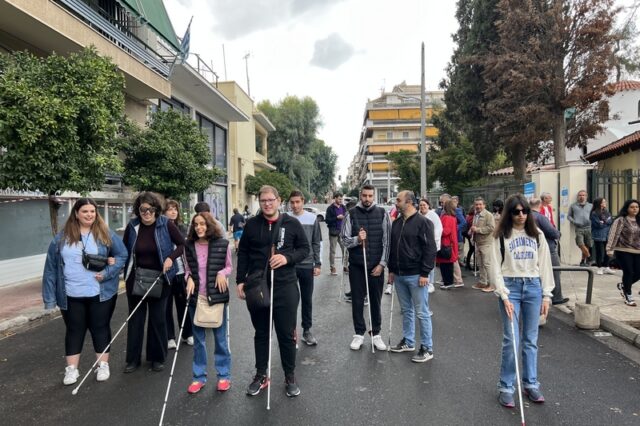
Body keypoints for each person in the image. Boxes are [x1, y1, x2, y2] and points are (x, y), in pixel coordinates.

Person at [43, 198, 127, 385]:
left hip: (101, 292)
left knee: (100, 327)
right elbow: (50, 269)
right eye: (85, 211)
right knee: (74, 330)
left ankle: (102, 365)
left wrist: (108, 272)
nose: (89, 215)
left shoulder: (105, 234)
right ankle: (72, 370)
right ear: (76, 214)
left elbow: (122, 255)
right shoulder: (61, 238)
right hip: (70, 294)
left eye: (92, 211)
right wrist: (49, 298)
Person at [236, 185, 309, 397]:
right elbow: (243, 254)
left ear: (278, 200)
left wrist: (287, 258)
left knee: (286, 334)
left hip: (285, 286)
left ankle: (290, 375)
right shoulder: (251, 225)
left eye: (271, 200)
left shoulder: (291, 223)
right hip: (258, 286)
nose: (267, 204)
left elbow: (304, 249)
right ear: (259, 202)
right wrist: (241, 280)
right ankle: (261, 374)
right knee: (261, 333)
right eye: (263, 200)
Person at [489, 194, 554, 408]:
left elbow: (545, 265)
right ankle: (506, 386)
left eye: (524, 211)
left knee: (530, 339)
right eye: (516, 211)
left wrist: (547, 294)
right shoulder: (500, 236)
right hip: (511, 286)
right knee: (511, 339)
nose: (521, 215)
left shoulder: (538, 235)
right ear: (509, 213)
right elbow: (495, 267)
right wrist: (503, 294)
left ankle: (531, 383)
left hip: (533, 286)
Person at [122, 192, 185, 373]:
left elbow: (182, 245)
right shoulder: (133, 226)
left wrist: (170, 258)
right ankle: (132, 360)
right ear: (138, 210)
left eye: (150, 209)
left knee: (158, 320)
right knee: (136, 320)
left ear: (156, 209)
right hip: (136, 279)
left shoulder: (165, 224)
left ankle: (157, 358)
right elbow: (124, 250)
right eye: (143, 210)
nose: (147, 213)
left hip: (160, 278)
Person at [183, 212, 233, 394]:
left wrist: (222, 273)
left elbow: (229, 266)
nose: (199, 228)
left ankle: (224, 376)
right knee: (199, 341)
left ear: (209, 225)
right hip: (197, 297)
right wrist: (188, 277)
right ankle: (198, 377)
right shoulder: (188, 246)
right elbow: (188, 268)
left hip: (217, 298)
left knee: (220, 340)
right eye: (196, 225)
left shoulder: (222, 244)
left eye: (202, 224)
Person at [341, 184, 391, 351]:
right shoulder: (351, 214)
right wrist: (357, 239)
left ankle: (376, 334)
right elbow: (344, 239)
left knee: (375, 301)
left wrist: (382, 264)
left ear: (374, 196)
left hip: (376, 265)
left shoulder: (383, 214)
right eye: (364, 196)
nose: (367, 199)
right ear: (360, 196)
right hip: (357, 265)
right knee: (357, 300)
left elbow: (386, 241)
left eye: (370, 196)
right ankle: (359, 334)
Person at [388, 191, 437, 362]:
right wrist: (392, 270)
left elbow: (430, 250)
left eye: (398, 200)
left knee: (422, 312)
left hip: (416, 275)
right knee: (406, 310)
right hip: (400, 275)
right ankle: (408, 341)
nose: (396, 202)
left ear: (408, 202)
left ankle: (427, 347)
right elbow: (393, 247)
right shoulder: (396, 223)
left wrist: (425, 273)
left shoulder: (424, 223)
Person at [287, 191, 322, 346]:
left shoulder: (312, 218)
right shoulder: (285, 219)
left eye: (297, 202)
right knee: (291, 300)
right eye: (292, 202)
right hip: (289, 266)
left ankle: (306, 330)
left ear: (303, 202)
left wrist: (318, 263)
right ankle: (291, 331)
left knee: (307, 300)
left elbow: (316, 242)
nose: (295, 205)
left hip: (307, 265)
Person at [163, 200, 193, 350]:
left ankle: (187, 334)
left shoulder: (182, 228)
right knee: (166, 307)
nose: (173, 212)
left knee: (183, 305)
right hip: (167, 273)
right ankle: (169, 337)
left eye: (175, 209)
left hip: (181, 271)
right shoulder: (160, 228)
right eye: (169, 209)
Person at [530, 197, 568, 306]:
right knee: (555, 271)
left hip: (534, 249)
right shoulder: (540, 217)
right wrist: (558, 234)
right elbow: (552, 232)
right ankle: (557, 297)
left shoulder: (526, 217)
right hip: (548, 248)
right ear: (540, 205)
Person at [606, 199, 640, 307]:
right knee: (629, 272)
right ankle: (628, 295)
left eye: (637, 207)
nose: (635, 209)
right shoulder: (621, 220)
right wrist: (610, 249)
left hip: (638, 250)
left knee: (638, 272)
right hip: (623, 250)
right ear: (627, 208)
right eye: (632, 207)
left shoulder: (639, 220)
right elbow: (613, 234)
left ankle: (624, 285)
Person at [469, 197, 496, 293]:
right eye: (476, 204)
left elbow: (492, 227)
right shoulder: (476, 214)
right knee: (480, 264)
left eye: (480, 204)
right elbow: (474, 227)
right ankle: (483, 282)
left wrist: (478, 230)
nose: (478, 206)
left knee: (487, 264)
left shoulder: (488, 215)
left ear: (484, 205)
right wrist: (471, 232)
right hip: (478, 243)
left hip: (486, 243)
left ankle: (492, 285)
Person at [419, 198, 442, 295]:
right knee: (422, 264)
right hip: (420, 245)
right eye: (420, 205)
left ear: (428, 205)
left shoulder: (433, 215)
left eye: (424, 205)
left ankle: (431, 284)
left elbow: (439, 229)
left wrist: (431, 240)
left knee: (430, 264)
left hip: (431, 245)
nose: (422, 206)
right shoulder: (418, 215)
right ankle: (424, 281)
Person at [437, 199, 459, 290]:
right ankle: (448, 282)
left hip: (445, 243)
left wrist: (437, 231)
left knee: (445, 265)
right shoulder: (452, 217)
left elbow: (445, 231)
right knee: (447, 265)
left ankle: (448, 282)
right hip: (450, 243)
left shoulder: (446, 217)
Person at [568, 190, 593, 266]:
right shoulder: (573, 206)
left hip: (589, 228)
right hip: (579, 228)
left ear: (586, 196)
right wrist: (574, 222)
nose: (582, 197)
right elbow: (569, 216)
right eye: (580, 195)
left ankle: (583, 261)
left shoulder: (591, 206)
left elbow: (594, 215)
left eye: (583, 195)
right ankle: (589, 257)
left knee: (587, 245)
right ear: (578, 197)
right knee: (580, 244)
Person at [590, 198, 614, 275]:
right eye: (603, 202)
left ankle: (606, 267)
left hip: (607, 234)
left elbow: (611, 221)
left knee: (608, 251)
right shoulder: (594, 213)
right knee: (599, 252)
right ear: (599, 203)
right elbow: (598, 225)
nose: (605, 203)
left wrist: (604, 221)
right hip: (598, 235)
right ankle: (599, 267)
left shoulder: (607, 212)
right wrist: (605, 222)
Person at [325, 192, 346, 276]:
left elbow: (347, 216)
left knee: (345, 250)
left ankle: (345, 266)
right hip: (333, 232)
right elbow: (327, 220)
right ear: (335, 198)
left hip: (342, 232)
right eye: (339, 199)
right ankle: (332, 267)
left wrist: (344, 217)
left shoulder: (343, 207)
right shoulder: (330, 208)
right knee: (332, 251)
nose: (341, 200)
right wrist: (337, 218)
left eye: (342, 199)